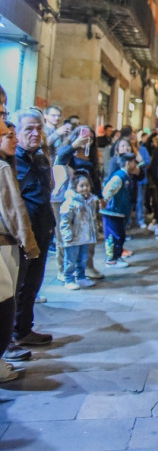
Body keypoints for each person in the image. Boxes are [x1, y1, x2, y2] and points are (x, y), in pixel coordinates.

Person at [7, 109, 55, 360]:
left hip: (42, 227)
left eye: (39, 128)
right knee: (14, 287)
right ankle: (9, 339)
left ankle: (23, 329)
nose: (35, 133)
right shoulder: (11, 161)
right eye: (28, 129)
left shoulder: (40, 157)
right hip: (22, 234)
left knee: (33, 283)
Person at [0, 118, 40, 379]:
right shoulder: (4, 168)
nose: (13, 139)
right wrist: (30, 244)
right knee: (5, 302)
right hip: (5, 244)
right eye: (7, 135)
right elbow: (15, 211)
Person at [54, 125, 103, 281]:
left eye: (91, 138)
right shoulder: (68, 152)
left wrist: (100, 196)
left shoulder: (91, 155)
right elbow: (60, 157)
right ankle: (63, 269)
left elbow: (95, 177)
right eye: (84, 136)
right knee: (65, 235)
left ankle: (87, 266)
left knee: (89, 233)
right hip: (65, 198)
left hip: (87, 200)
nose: (88, 139)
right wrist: (76, 144)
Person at [59, 171, 99, 290]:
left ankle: (81, 277)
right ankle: (69, 279)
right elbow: (65, 221)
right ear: (75, 187)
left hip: (85, 237)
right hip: (73, 238)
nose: (85, 188)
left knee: (83, 259)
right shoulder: (70, 203)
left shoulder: (90, 201)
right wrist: (67, 235)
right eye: (81, 186)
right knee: (71, 260)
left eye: (87, 185)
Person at [101, 152, 138, 267]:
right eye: (134, 162)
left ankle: (117, 256)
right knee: (113, 236)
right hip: (113, 212)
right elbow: (107, 191)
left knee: (120, 235)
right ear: (128, 163)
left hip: (119, 211)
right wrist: (106, 201)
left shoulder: (125, 176)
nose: (135, 165)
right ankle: (112, 259)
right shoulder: (119, 177)